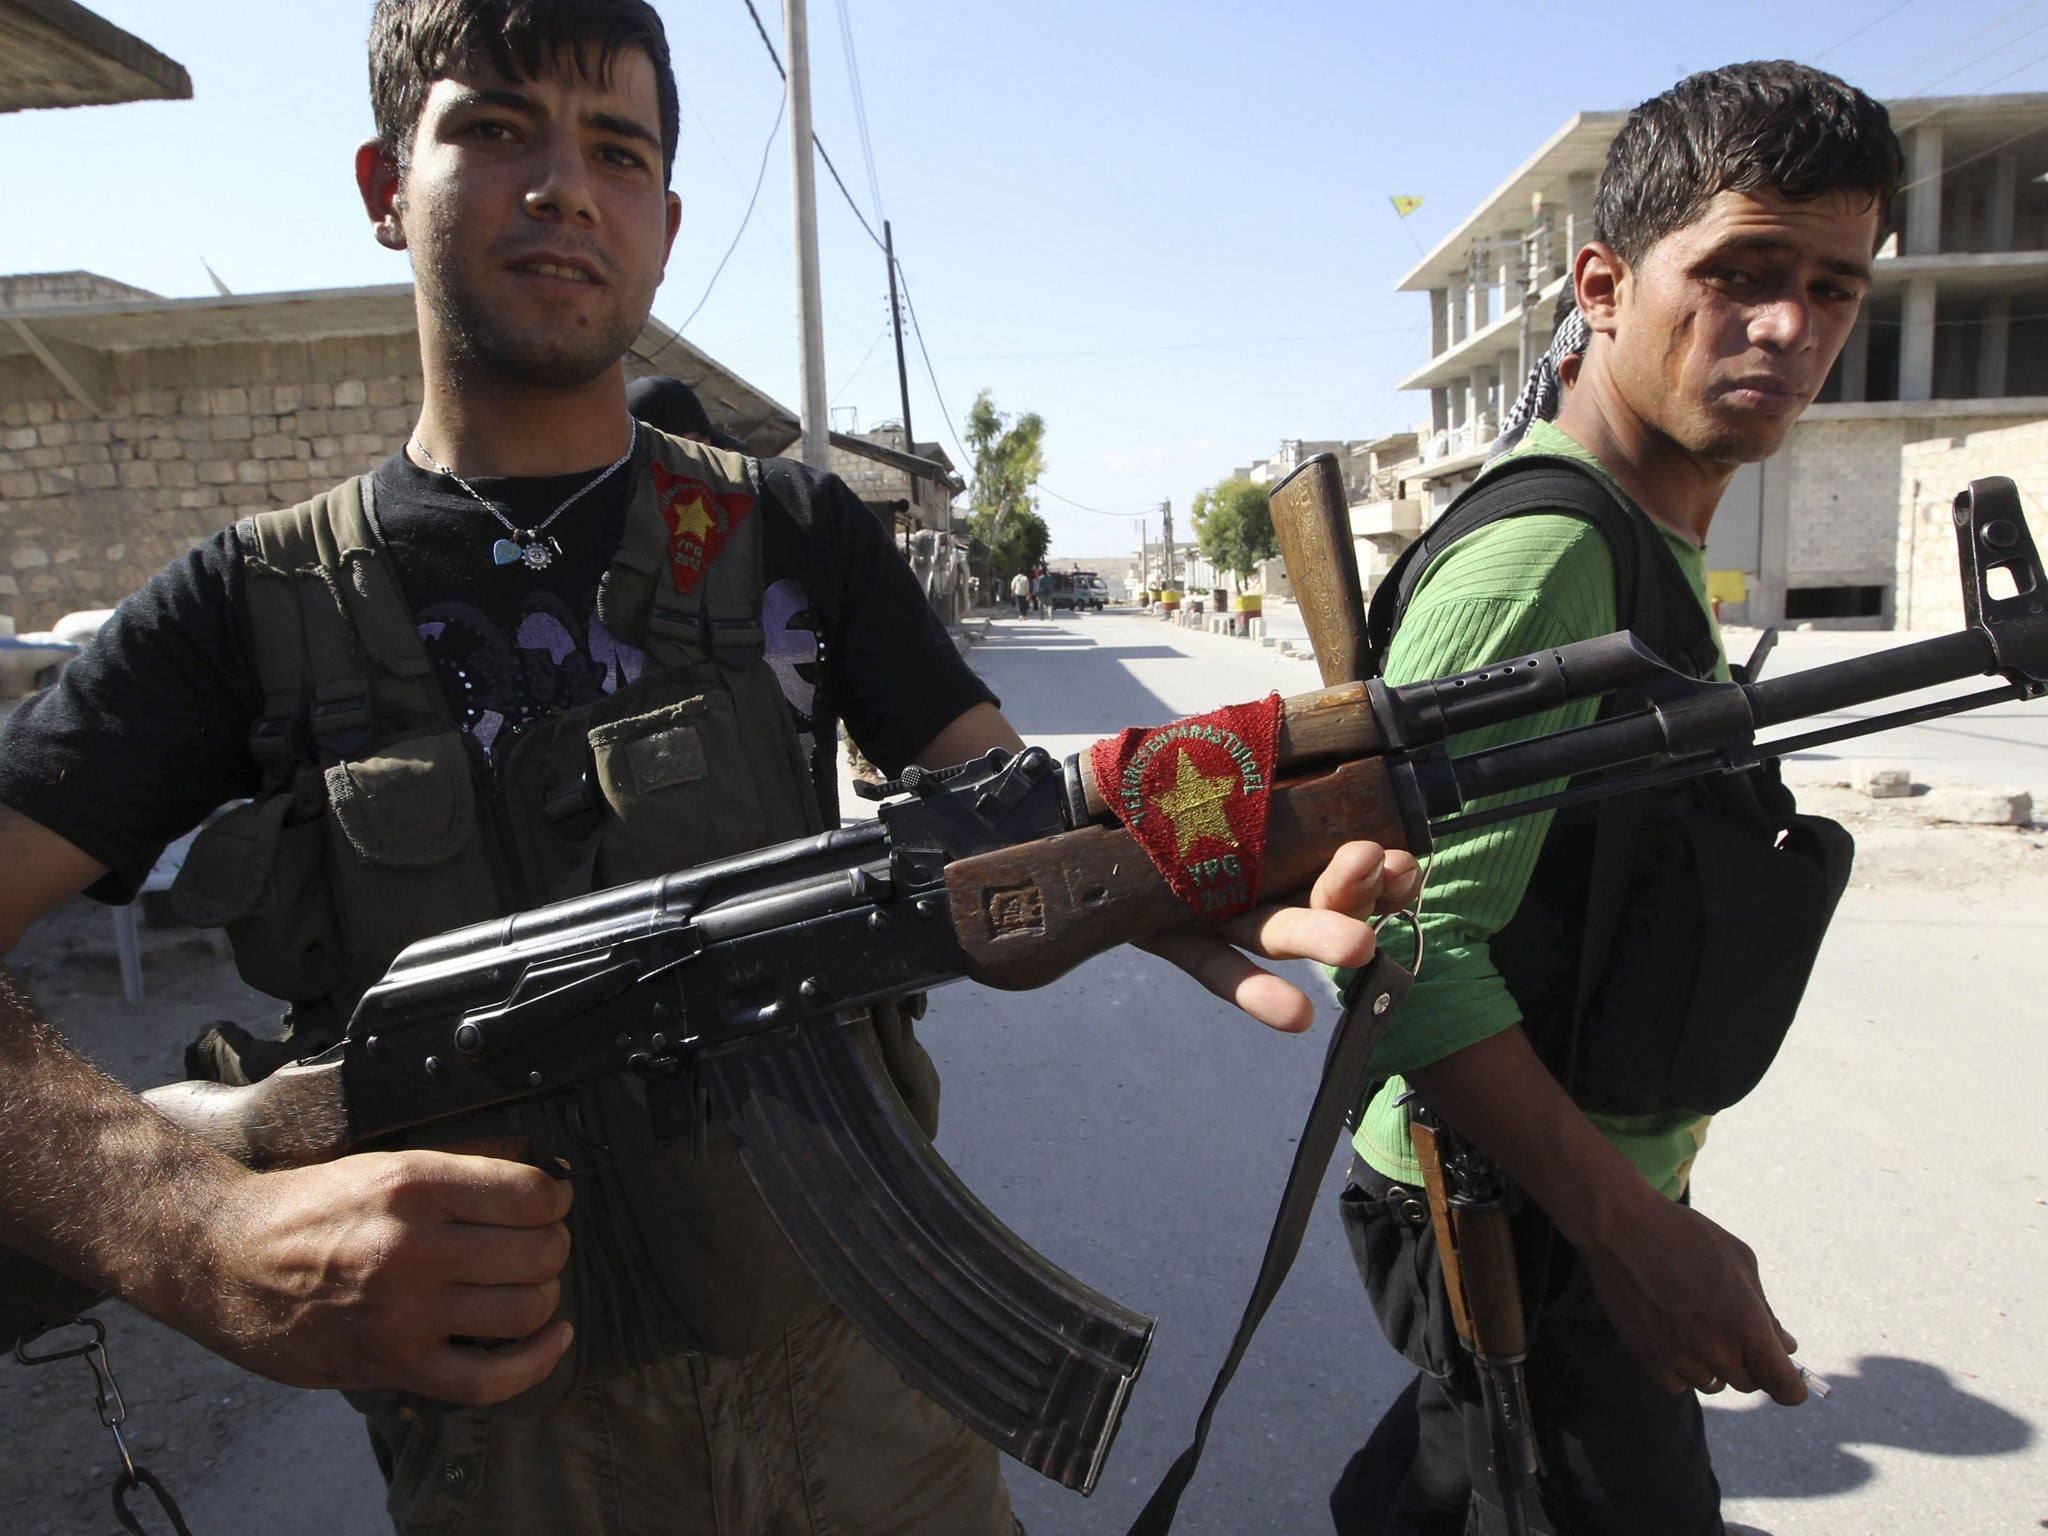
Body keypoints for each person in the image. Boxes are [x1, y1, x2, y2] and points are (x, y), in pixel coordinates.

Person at [0, 3, 1413, 1533]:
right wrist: (190, 1237)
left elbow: (1011, 816)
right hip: (517, 1446)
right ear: (377, 182)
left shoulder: (791, 535)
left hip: (866, 1385)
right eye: (491, 128)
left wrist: (1200, 846)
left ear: (667, 223)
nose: (563, 187)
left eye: (618, 150)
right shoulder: (250, 606)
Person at [1329, 61, 1900, 1535]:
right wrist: (1631, 1230)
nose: (1789, 327)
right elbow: (1407, 951)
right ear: (1601, 282)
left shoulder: (1642, 535)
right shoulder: (1548, 560)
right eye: (1738, 274)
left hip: (1554, 1188)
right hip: (1511, 1207)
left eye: (1833, 288)